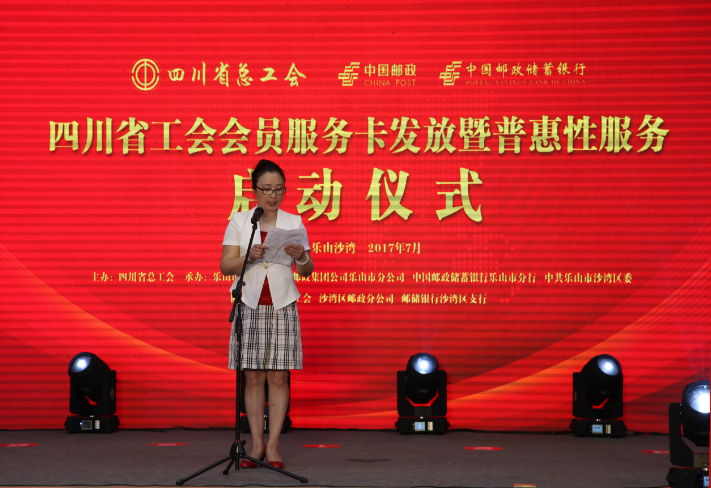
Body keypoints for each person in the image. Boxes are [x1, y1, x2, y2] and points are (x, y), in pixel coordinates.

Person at [220, 159, 314, 469]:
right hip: (249, 303)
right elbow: (226, 266)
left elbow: (307, 270)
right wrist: (248, 257)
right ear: (254, 189)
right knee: (253, 378)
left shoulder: (293, 222)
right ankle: (257, 445)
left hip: (282, 304)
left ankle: (273, 446)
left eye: (279, 189)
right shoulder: (240, 220)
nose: (273, 195)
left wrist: (301, 257)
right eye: (267, 189)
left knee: (278, 377)